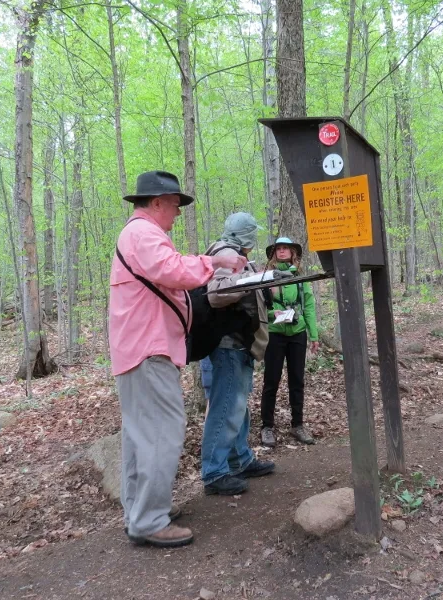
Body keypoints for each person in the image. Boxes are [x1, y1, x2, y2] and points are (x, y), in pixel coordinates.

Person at [109, 171, 246, 548]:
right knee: (161, 431)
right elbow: (171, 270)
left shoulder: (138, 233)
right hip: (148, 349)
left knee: (141, 437)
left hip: (139, 348)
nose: (177, 213)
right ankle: (150, 520)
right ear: (156, 203)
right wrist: (215, 263)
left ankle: (141, 513)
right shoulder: (143, 233)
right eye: (174, 205)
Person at [201, 213, 277, 496]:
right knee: (225, 408)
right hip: (229, 343)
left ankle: (239, 459)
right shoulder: (227, 254)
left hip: (239, 342)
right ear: (244, 234)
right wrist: (253, 277)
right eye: (252, 232)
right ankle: (214, 472)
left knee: (237, 407)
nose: (255, 238)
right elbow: (217, 294)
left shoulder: (233, 254)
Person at [259, 237, 319, 448]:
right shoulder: (266, 277)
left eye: (286, 248)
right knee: (271, 381)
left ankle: (298, 425)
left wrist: (313, 335)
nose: (282, 251)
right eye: (278, 248)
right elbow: (257, 306)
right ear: (273, 253)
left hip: (297, 332)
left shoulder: (300, 278)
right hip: (274, 333)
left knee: (297, 380)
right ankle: (266, 427)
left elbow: (308, 306)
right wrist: (271, 312)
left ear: (293, 252)